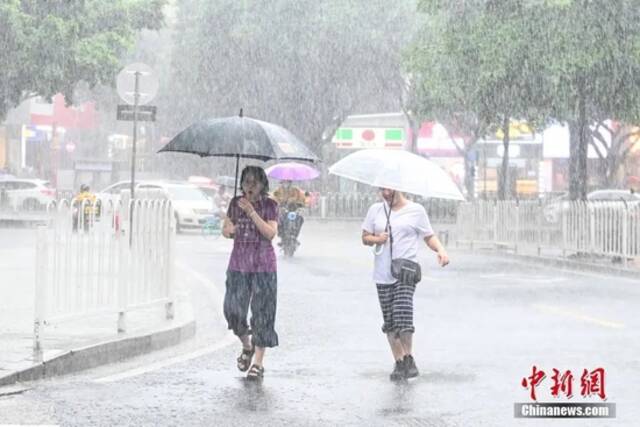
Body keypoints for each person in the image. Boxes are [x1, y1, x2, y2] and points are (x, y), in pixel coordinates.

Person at [361, 188, 450, 381]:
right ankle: (399, 361)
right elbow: (365, 237)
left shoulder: (416, 210)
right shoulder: (375, 211)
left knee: (403, 316)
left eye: (388, 189)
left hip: (405, 272)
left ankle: (409, 356)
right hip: (382, 274)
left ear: (397, 188)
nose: (385, 193)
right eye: (381, 190)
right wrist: (378, 239)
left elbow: (428, 236)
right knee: (390, 322)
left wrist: (440, 250)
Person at [222, 166, 279, 381]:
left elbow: (270, 233)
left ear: (263, 184)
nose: (250, 187)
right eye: (246, 182)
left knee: (262, 313)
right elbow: (225, 229)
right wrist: (231, 230)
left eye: (254, 183)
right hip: (238, 264)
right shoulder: (235, 204)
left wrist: (252, 213)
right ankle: (247, 346)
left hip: (263, 266)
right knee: (232, 310)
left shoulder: (270, 205)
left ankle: (258, 363)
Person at [272, 180, 307, 244]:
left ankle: (295, 235)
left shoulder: (296, 190)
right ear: (281, 183)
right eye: (284, 182)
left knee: (300, 219)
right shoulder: (277, 191)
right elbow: (273, 199)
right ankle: (282, 236)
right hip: (282, 210)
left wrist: (300, 205)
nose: (286, 184)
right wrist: (278, 205)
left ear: (290, 183)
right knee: (278, 220)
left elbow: (302, 199)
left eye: (287, 182)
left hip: (294, 210)